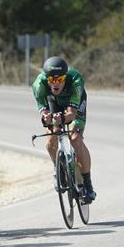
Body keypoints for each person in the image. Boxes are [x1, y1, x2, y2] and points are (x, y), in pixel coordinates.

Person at [32, 56, 96, 201]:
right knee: (50, 141)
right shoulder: (38, 85)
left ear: (65, 77)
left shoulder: (76, 80)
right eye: (51, 80)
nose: (55, 83)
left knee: (75, 138)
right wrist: (47, 117)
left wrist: (63, 118)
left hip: (74, 103)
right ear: (46, 78)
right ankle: (58, 169)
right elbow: (44, 111)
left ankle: (88, 184)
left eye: (59, 79)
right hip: (53, 102)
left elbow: (72, 115)